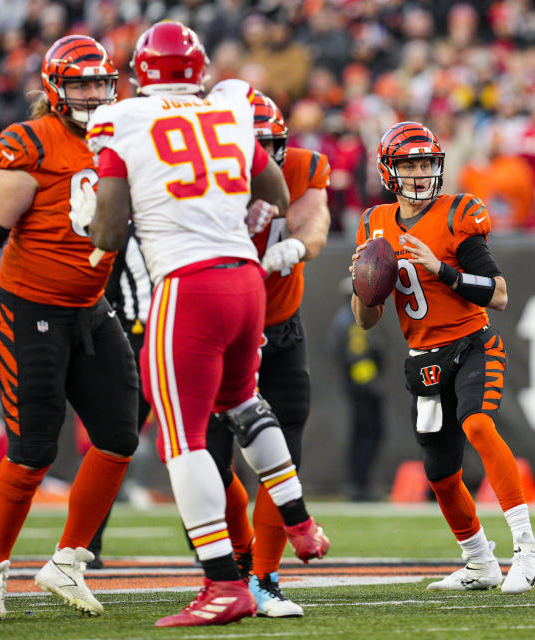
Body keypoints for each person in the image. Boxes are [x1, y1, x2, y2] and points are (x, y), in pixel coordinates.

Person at [84, 21, 328, 627]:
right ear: (201, 73)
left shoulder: (124, 121)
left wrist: (92, 214)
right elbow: (271, 187)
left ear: (140, 75)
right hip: (245, 279)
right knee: (244, 403)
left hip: (186, 287)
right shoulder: (227, 113)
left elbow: (111, 235)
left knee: (182, 438)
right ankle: (299, 520)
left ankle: (224, 584)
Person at [0, 35, 140, 621]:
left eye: (99, 82)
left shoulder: (124, 139)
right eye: (79, 83)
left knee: (118, 433)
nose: (91, 93)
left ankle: (68, 560)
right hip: (30, 309)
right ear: (54, 88)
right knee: (32, 450)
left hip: (92, 307)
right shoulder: (31, 142)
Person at [350, 121, 535, 595]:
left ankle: (527, 548)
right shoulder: (374, 223)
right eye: (408, 165)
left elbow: (498, 294)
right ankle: (479, 562)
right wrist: (363, 284)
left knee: (478, 424)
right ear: (388, 171)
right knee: (440, 474)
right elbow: (366, 320)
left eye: (424, 164)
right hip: (423, 359)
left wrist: (440, 269)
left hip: (471, 343)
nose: (418, 174)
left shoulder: (458, 212)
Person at [204, 91, 331, 618]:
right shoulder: (197, 174)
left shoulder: (303, 166)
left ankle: (265, 577)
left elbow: (315, 222)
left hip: (279, 329)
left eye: (272, 144)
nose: (266, 156)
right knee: (211, 461)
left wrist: (298, 246)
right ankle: (233, 563)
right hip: (218, 329)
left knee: (286, 455)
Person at [86, 224, 153, 568]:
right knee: (117, 443)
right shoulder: (123, 229)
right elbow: (103, 291)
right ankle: (87, 541)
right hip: (135, 342)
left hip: (182, 336)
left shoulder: (180, 218)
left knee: (200, 440)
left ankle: (214, 546)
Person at [328, 277, 387, 502]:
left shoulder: (339, 319)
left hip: (355, 387)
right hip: (364, 388)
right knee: (369, 435)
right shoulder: (354, 321)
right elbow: (357, 354)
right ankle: (360, 485)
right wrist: (370, 384)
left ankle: (358, 484)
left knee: (360, 435)